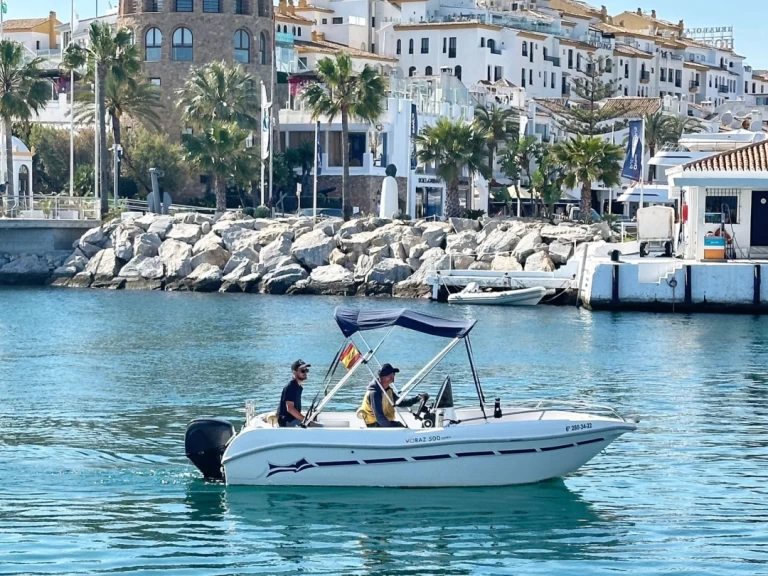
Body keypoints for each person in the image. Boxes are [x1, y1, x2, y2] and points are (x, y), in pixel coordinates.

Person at [359, 363, 426, 428]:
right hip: (373, 424)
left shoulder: (388, 390)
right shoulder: (375, 393)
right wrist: (392, 430)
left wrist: (418, 398)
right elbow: (379, 417)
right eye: (393, 374)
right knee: (400, 428)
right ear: (387, 377)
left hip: (382, 422)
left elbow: (400, 403)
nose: (394, 376)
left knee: (400, 426)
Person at [277, 359, 311, 427]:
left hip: (293, 420)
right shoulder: (291, 387)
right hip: (287, 422)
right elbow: (290, 409)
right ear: (294, 372)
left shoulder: (298, 387)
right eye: (302, 370)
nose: (305, 372)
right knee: (317, 426)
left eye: (306, 370)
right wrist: (307, 421)